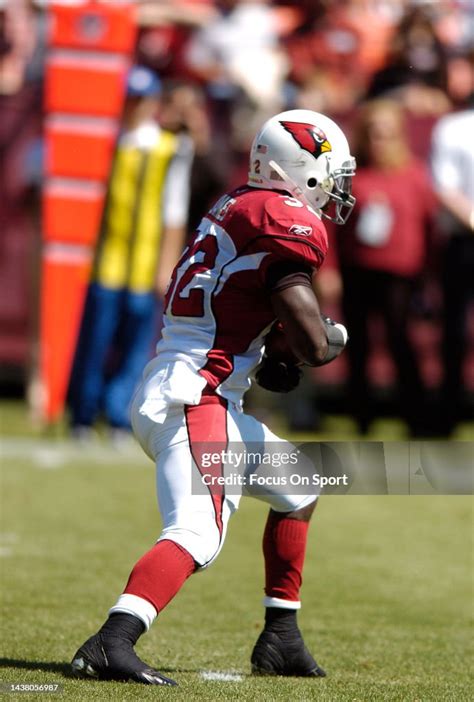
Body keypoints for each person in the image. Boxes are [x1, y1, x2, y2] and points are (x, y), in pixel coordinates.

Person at [71, 109, 356, 685]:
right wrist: (323, 342)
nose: (334, 187)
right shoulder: (282, 216)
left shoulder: (240, 203)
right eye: (330, 171)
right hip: (196, 395)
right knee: (197, 532)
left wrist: (278, 352)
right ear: (300, 168)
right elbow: (306, 335)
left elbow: (250, 302)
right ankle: (112, 640)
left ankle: (281, 636)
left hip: (196, 385)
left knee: (298, 486)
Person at [68, 66, 193, 439]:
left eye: (142, 100)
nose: (135, 107)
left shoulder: (169, 147)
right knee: (95, 337)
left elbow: (174, 209)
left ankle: (120, 413)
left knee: (136, 343)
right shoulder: (105, 143)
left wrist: (166, 264)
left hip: (143, 259)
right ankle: (83, 414)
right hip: (103, 260)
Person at [336, 99, 436, 435]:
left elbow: (429, 224)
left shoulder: (415, 174)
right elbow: (333, 227)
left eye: (387, 135)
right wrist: (329, 271)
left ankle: (416, 416)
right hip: (359, 268)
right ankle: (362, 417)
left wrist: (428, 272)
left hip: (402, 274)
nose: (380, 142)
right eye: (374, 135)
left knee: (401, 340)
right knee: (358, 344)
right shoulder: (352, 178)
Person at [430, 94, 474, 434]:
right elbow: (445, 186)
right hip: (464, 240)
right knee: (455, 330)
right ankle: (449, 412)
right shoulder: (454, 127)